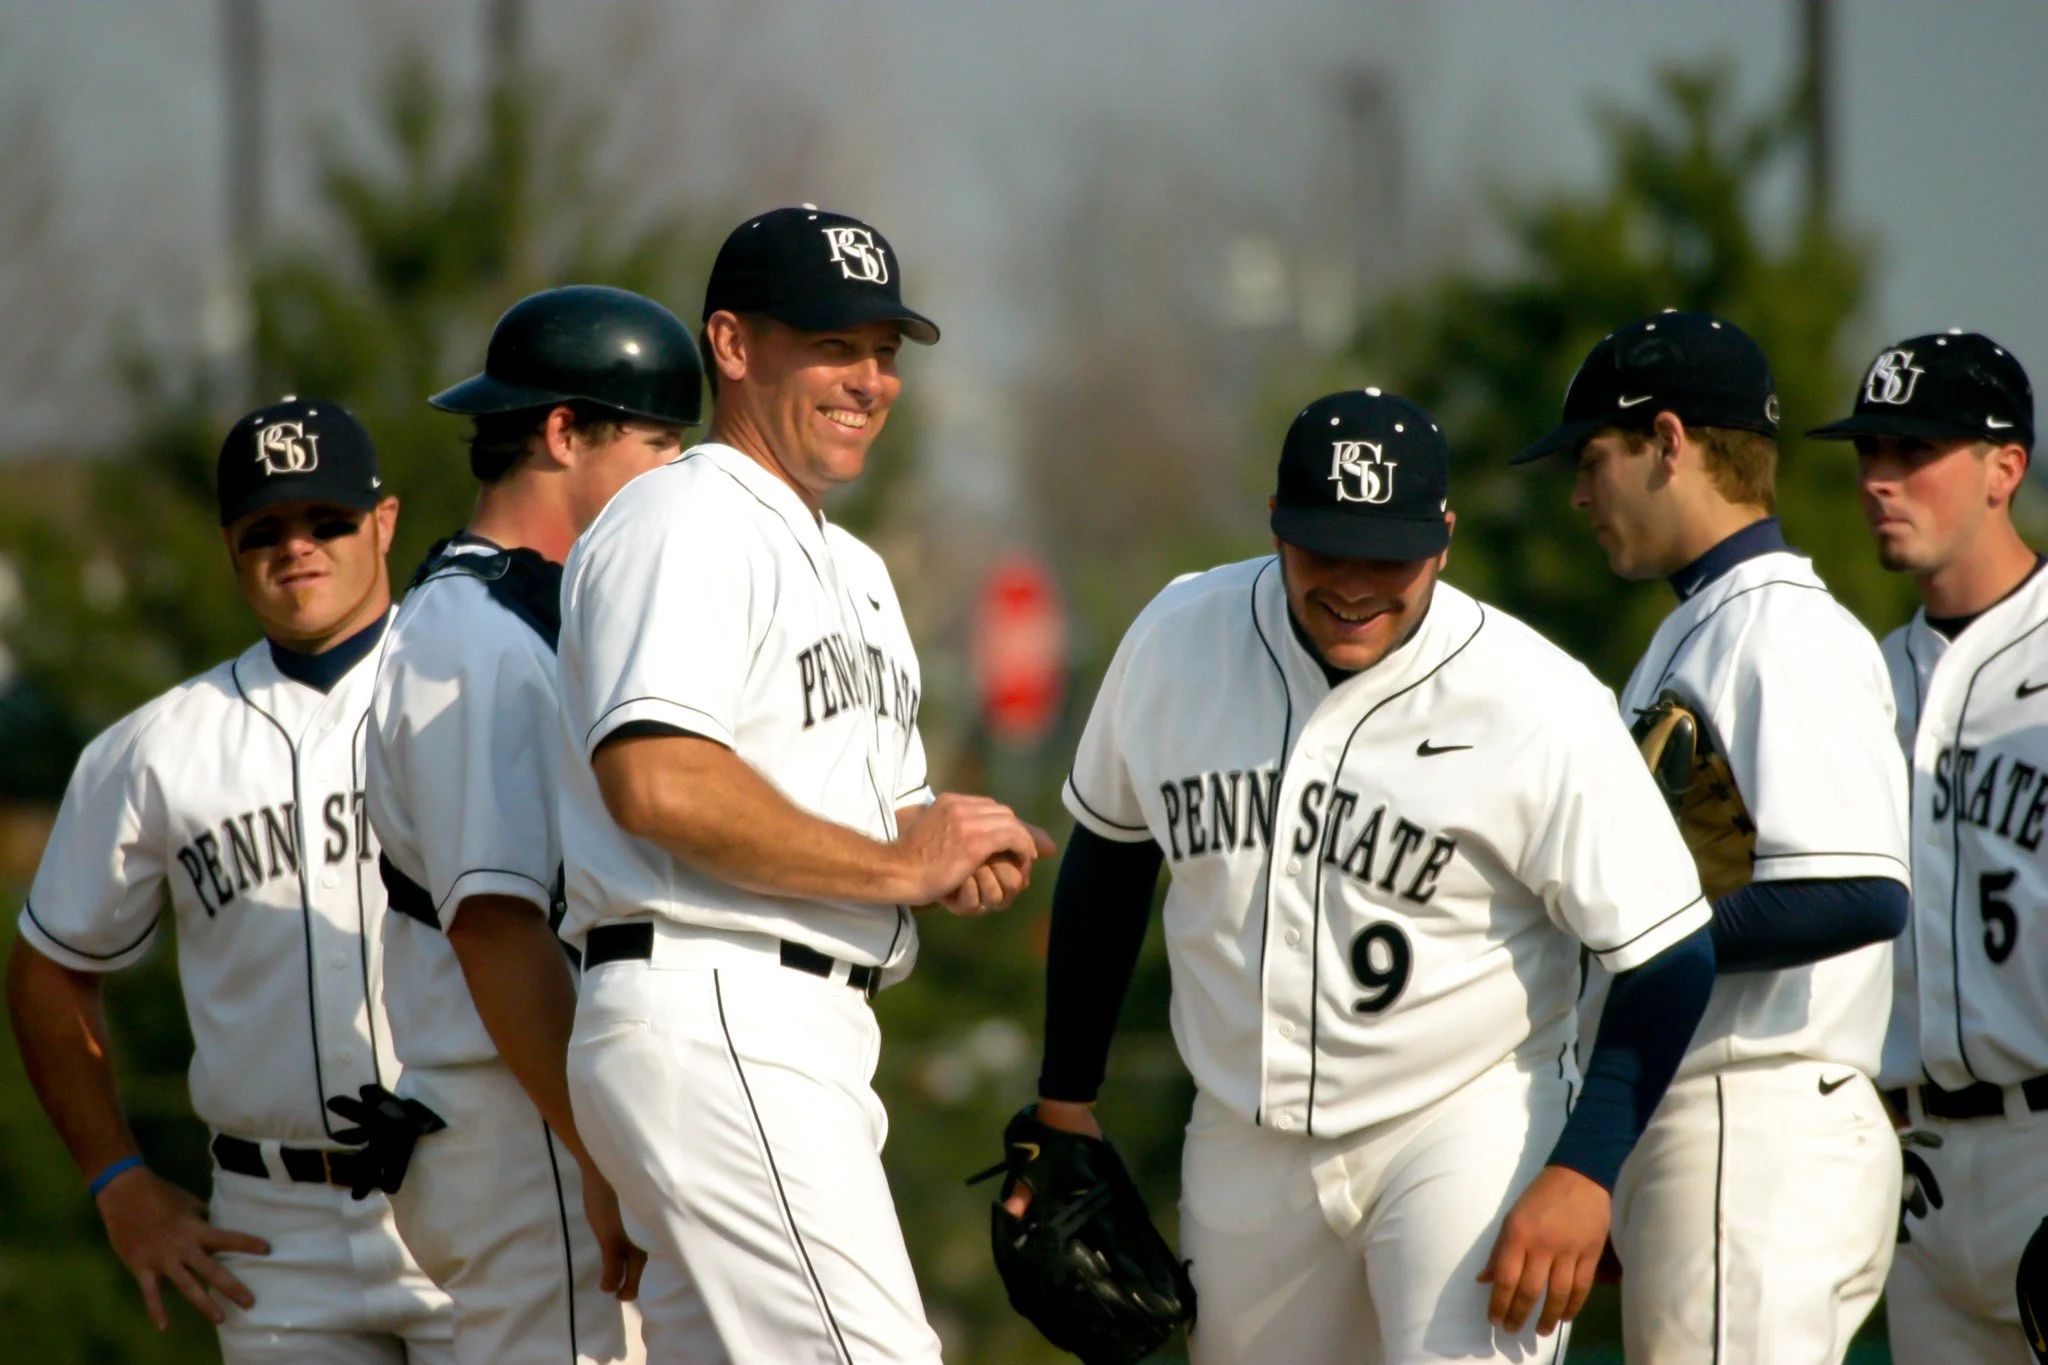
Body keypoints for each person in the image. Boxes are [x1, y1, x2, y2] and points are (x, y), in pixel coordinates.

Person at [1030, 386, 1718, 1363]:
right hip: (1242, 1130)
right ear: (1275, 526)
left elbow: (1669, 954)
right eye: (1323, 547)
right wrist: (1065, 1098)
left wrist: (1585, 1168)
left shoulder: (1533, 698)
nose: (1352, 583)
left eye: (1387, 556)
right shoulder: (1178, 637)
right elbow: (1108, 856)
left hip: (1463, 1121)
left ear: (1441, 539)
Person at [553, 206, 1053, 1362]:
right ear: (730, 345)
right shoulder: (685, 516)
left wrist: (952, 847)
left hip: (796, 1027)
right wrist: (894, 864)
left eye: (883, 351)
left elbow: (859, 814)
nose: (868, 380)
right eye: (832, 345)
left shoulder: (856, 567)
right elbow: (656, 780)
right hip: (720, 1002)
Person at [7, 398, 454, 1363]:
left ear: (384, 521)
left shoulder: (476, 691)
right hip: (271, 1229)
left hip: (478, 1181)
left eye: (327, 520)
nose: (297, 547)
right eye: (266, 529)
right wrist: (118, 1178)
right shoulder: (156, 746)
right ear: (229, 546)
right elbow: (48, 967)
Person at [1515, 310, 1911, 1362]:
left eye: (1594, 457)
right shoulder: (1697, 626)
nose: (1578, 491)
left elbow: (1857, 891)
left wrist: (1641, 937)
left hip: (1759, 1116)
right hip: (1714, 1119)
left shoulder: (1782, 629)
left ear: (1670, 442)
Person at [365, 285, 712, 1363]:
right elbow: (495, 928)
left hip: (535, 1107)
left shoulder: (520, 611)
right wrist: (596, 1154)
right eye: (659, 444)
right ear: (562, 431)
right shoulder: (475, 638)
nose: (676, 479)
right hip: (522, 1121)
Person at [1809, 329, 2045, 1363]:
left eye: (1913, 452)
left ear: (2005, 468)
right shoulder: (1857, 678)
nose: (1878, 480)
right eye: (1868, 453)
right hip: (1914, 1165)